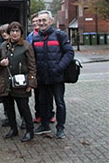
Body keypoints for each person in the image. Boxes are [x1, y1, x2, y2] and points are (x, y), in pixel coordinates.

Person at [32, 10, 74, 139]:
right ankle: (45, 125)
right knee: (43, 102)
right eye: (39, 21)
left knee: (60, 103)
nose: (42, 23)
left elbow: (69, 53)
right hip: (42, 77)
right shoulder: (35, 38)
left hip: (57, 77)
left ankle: (60, 128)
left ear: (51, 21)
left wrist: (59, 68)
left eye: (44, 20)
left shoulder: (59, 35)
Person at [0, 22, 37, 142]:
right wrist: (1, 63)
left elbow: (32, 66)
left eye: (17, 31)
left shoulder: (26, 46)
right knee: (9, 108)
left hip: (21, 83)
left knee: (23, 107)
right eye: (12, 31)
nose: (14, 33)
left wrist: (31, 82)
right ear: (8, 33)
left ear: (21, 33)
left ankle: (30, 131)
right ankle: (13, 129)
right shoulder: (3, 46)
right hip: (7, 82)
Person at [26, 13, 55, 124]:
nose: (35, 24)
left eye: (37, 21)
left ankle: (50, 114)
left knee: (49, 94)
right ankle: (39, 114)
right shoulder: (31, 36)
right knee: (38, 95)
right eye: (33, 22)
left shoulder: (48, 34)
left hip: (47, 68)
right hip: (36, 68)